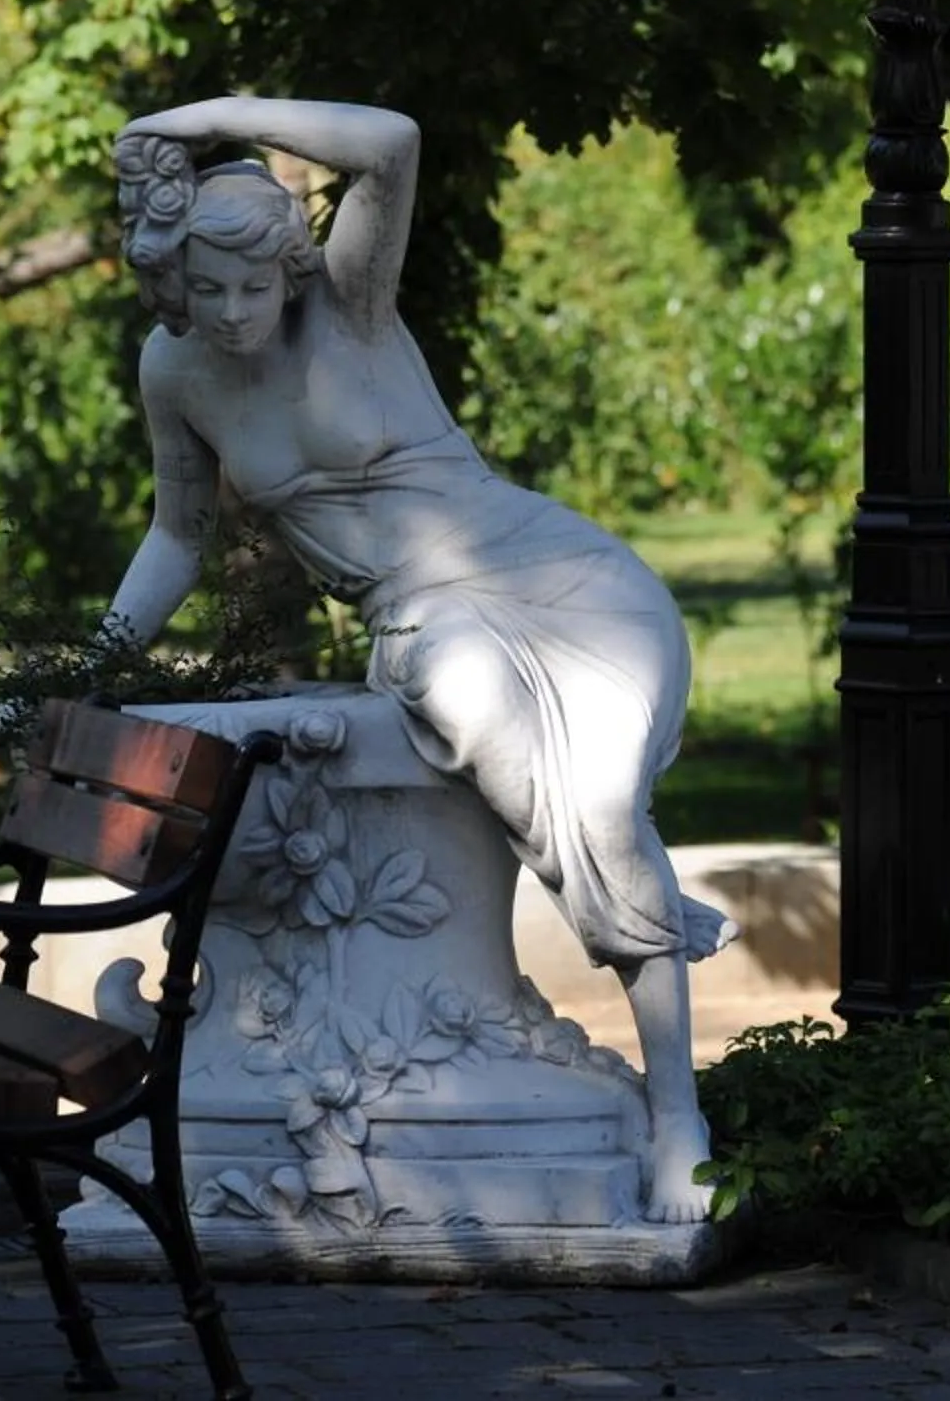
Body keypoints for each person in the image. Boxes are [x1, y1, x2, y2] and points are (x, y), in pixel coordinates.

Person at [101, 96, 730, 1223]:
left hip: (567, 581)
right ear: (174, 285)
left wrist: (210, 119)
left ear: (293, 272)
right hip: (430, 622)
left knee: (597, 810)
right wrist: (89, 665)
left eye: (256, 286)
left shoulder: (353, 309)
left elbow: (393, 143)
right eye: (210, 291)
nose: (237, 312)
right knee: (467, 688)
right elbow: (177, 537)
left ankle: (678, 1112)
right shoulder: (176, 370)